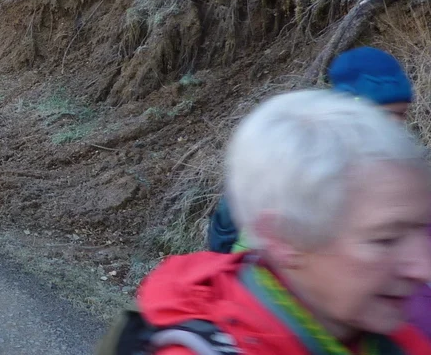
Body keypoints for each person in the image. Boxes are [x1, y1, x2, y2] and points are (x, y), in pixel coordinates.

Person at [129, 90, 431, 355]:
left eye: (421, 229)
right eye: (385, 240)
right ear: (283, 237)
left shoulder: (389, 336)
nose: (423, 268)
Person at [208, 46, 415, 254]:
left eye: (402, 114)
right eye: (389, 114)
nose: (397, 125)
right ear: (357, 109)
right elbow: (238, 222)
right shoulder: (308, 153)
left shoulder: (377, 160)